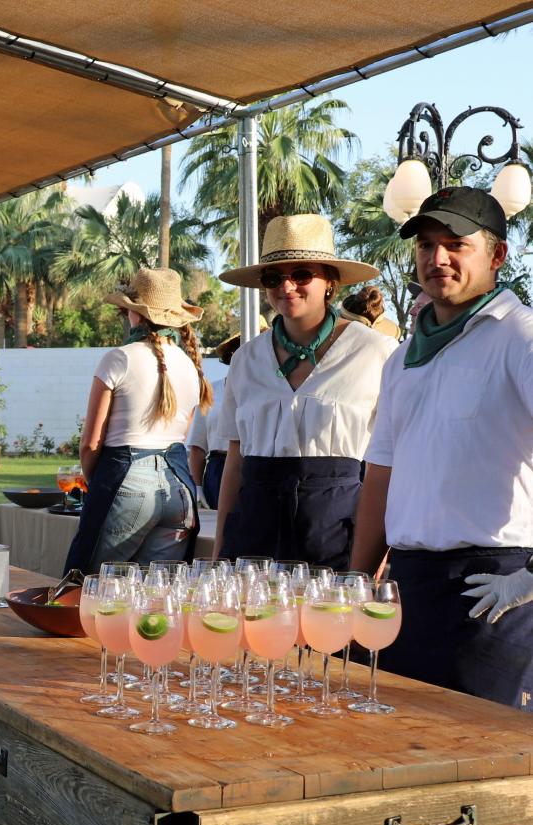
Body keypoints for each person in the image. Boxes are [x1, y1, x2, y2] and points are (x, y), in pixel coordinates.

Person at [351, 186, 533, 710]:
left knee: (481, 763)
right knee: (394, 744)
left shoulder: (519, 337)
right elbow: (380, 472)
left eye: (456, 244)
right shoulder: (402, 356)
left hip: (492, 589)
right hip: (408, 583)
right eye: (426, 245)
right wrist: (358, 581)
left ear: (497, 255)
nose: (438, 259)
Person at [211, 214, 395, 570]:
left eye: (301, 275)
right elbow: (235, 461)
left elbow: (388, 467)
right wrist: (220, 549)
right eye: (273, 277)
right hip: (253, 535)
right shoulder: (246, 359)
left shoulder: (375, 352)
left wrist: (373, 563)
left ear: (330, 282)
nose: (287, 286)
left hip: (337, 534)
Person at [63, 268, 212, 574]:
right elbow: (181, 434)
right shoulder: (190, 366)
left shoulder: (119, 357)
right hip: (179, 487)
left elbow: (91, 443)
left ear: (135, 315)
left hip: (127, 478)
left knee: (91, 588)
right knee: (155, 600)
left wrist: (101, 487)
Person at [187, 318, 267, 510]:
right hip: (218, 471)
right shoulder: (211, 392)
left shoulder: (272, 393)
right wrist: (196, 487)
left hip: (259, 468)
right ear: (232, 353)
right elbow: (197, 447)